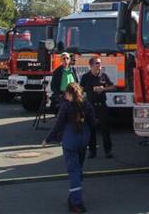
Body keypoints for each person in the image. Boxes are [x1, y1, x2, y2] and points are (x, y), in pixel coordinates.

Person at [42, 82, 96, 213]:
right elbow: (93, 122)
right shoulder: (86, 104)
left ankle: (77, 202)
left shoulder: (65, 106)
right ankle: (73, 196)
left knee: (73, 172)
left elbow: (58, 125)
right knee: (79, 168)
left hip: (70, 140)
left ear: (68, 94)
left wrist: (47, 139)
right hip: (83, 140)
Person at [80, 57, 114, 158]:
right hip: (90, 106)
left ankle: (108, 151)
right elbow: (80, 89)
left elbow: (112, 86)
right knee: (91, 129)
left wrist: (103, 88)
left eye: (100, 63)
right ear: (91, 65)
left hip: (102, 105)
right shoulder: (86, 77)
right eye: (97, 63)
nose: (99, 65)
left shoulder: (103, 76)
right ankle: (92, 151)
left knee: (105, 129)